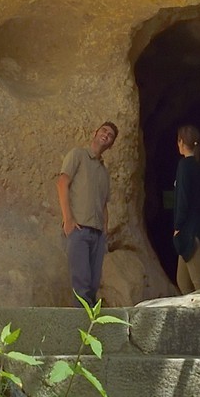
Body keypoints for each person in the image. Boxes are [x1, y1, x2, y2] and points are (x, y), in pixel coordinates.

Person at [56, 121, 118, 305]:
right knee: (81, 285)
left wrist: (105, 232)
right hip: (79, 229)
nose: (106, 135)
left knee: (92, 286)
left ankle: (87, 327)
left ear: (111, 144)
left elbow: (104, 204)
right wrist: (68, 220)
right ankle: (82, 329)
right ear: (95, 132)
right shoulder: (78, 155)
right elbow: (62, 183)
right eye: (104, 130)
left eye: (111, 135)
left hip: (97, 234)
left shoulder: (104, 172)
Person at [172, 122, 200, 293]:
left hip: (191, 231)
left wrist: (177, 226)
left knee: (199, 281)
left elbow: (183, 199)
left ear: (181, 142)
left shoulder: (184, 165)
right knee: (183, 281)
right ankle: (194, 316)